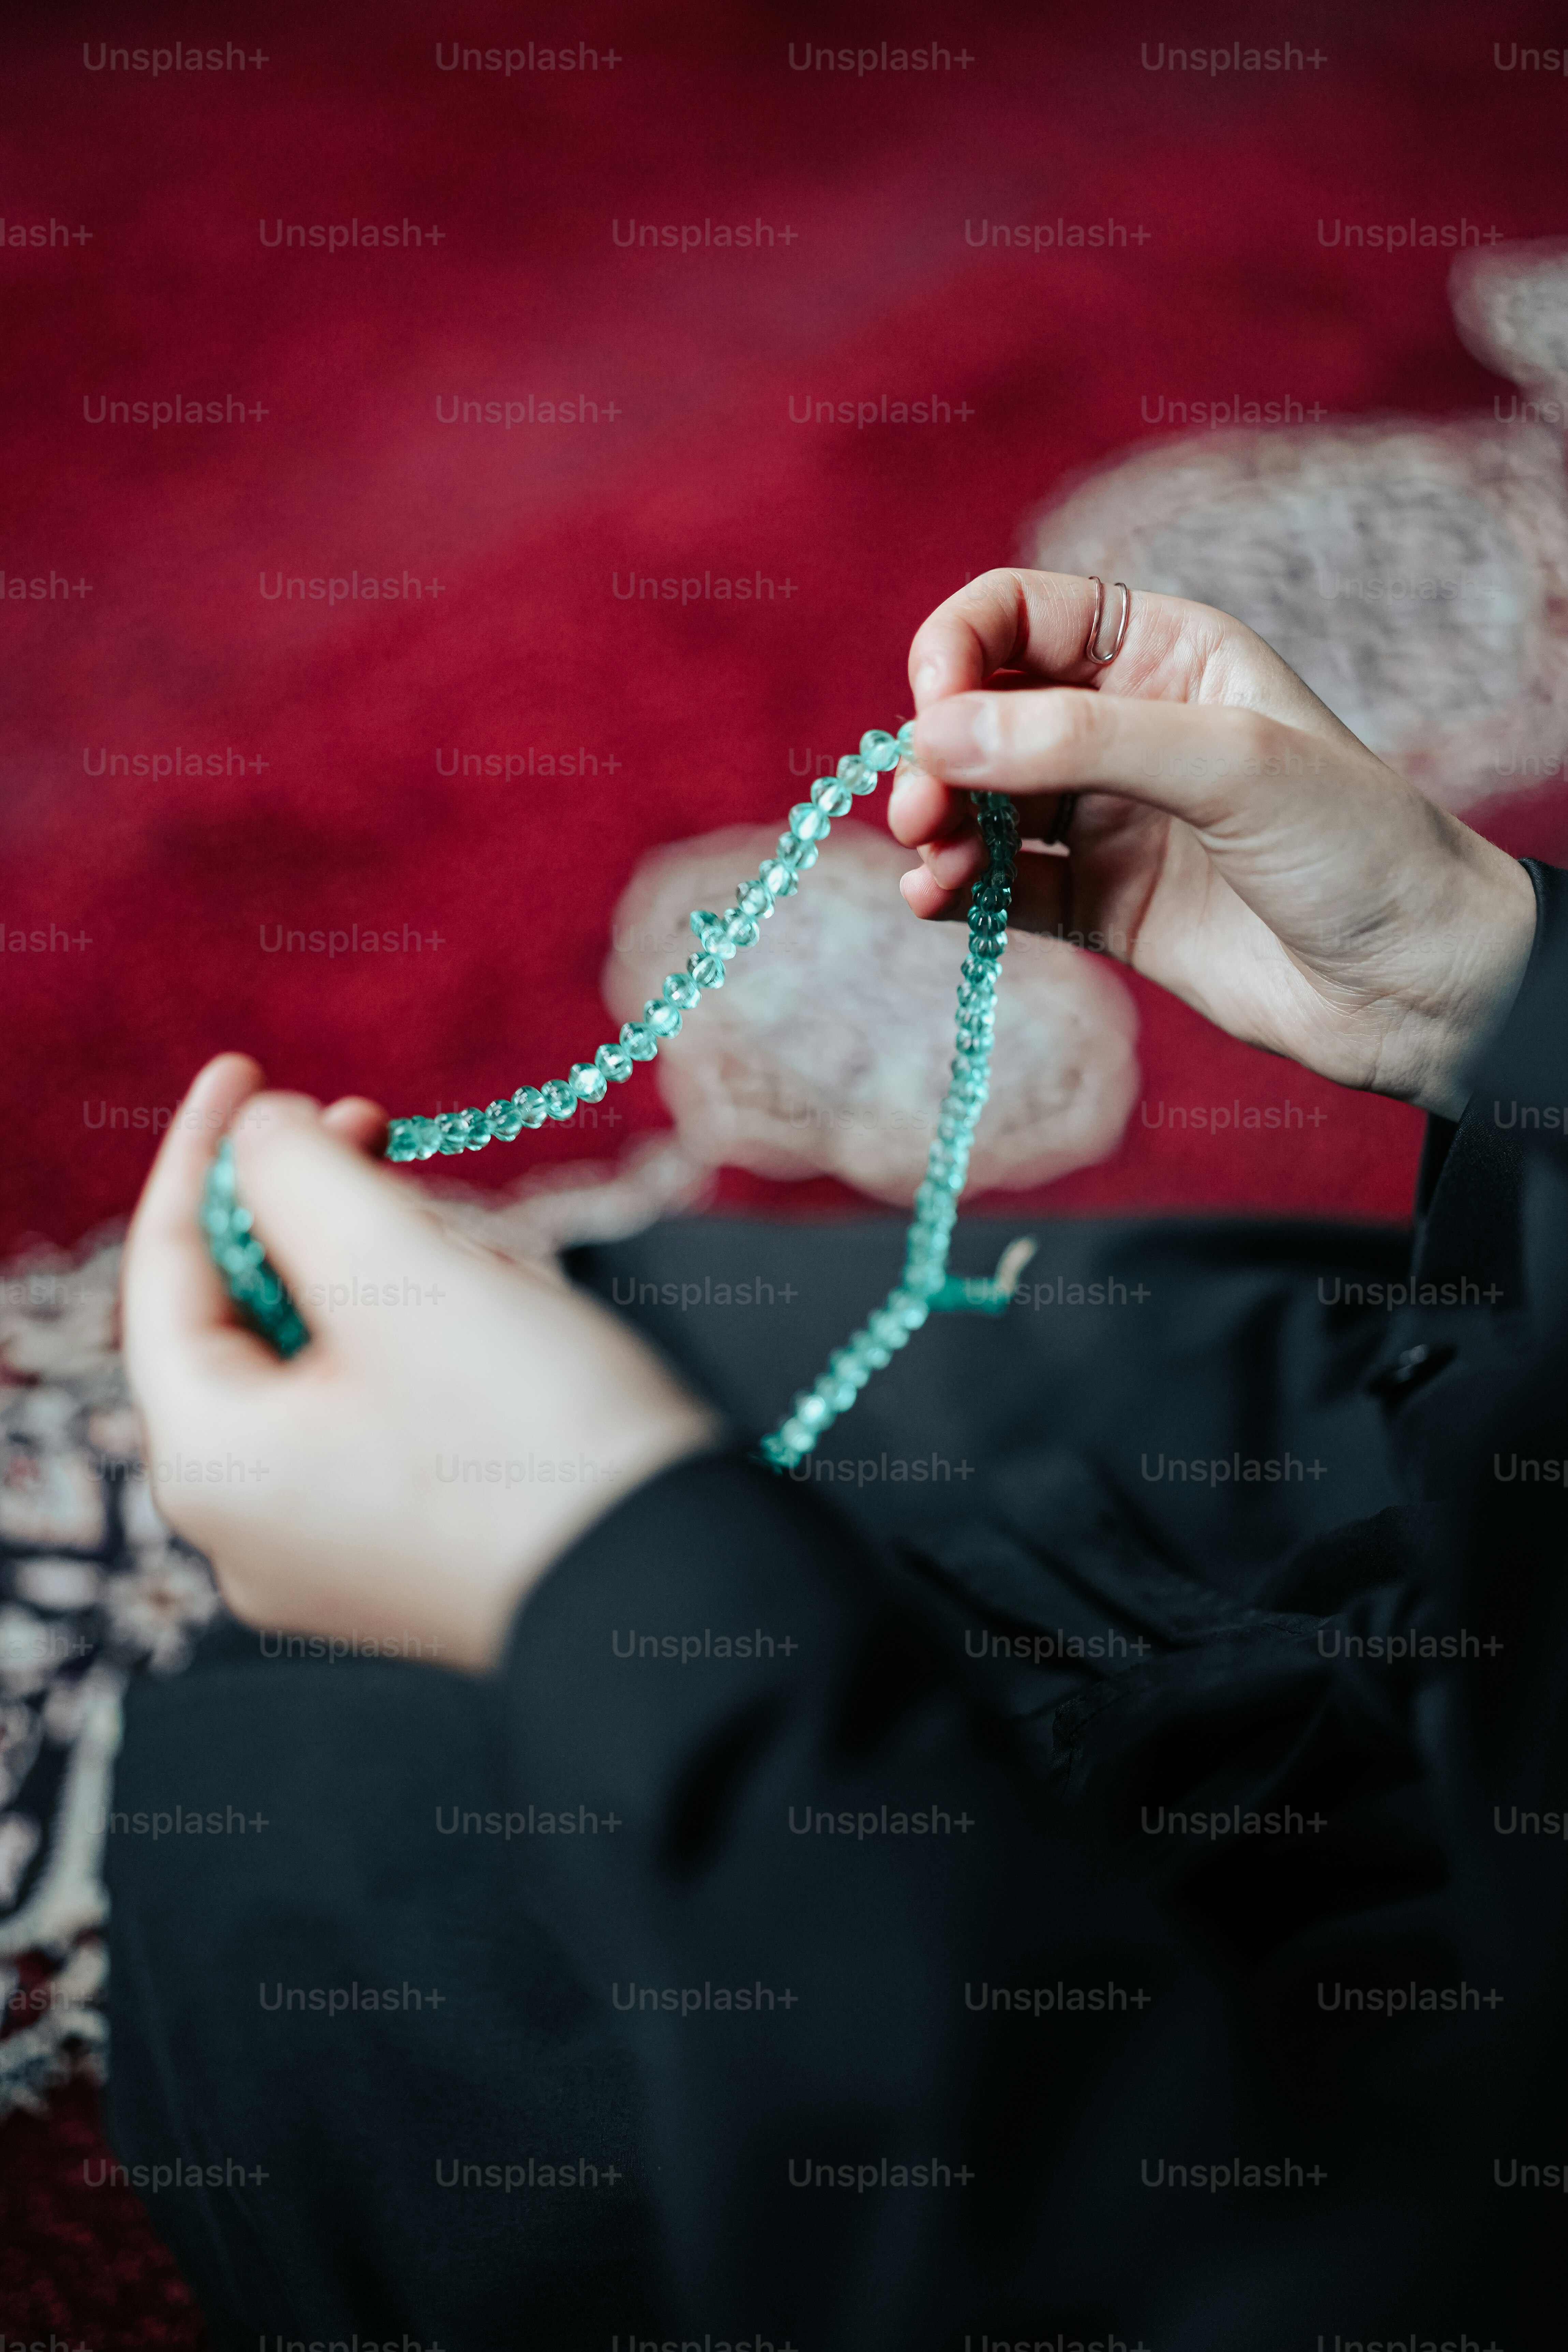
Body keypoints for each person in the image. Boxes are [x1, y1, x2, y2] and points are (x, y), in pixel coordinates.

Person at [111, 571, 1565, 2350]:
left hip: (1189, 2160)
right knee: (649, 1318)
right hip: (1455, 1536)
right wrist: (1490, 993)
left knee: (278, 1759)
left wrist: (602, 1579)